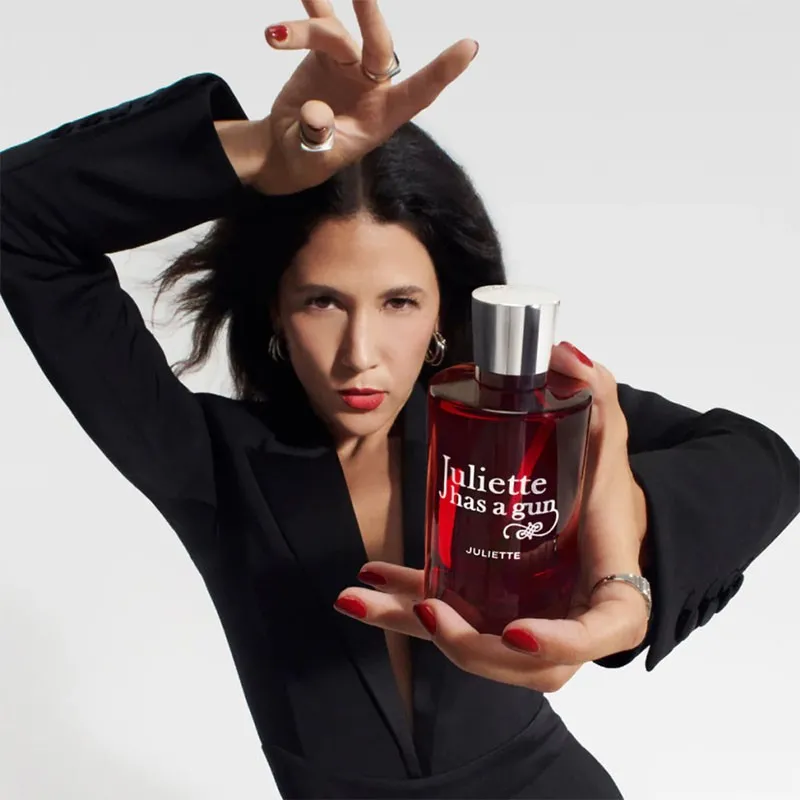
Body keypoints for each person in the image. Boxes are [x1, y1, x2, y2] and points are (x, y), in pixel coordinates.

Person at [1, 1, 798, 797]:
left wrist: (619, 556)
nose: (360, 354)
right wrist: (255, 152)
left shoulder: (505, 422)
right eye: (323, 301)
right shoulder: (208, 462)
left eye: (399, 302)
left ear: (443, 311)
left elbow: (763, 463)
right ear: (275, 309)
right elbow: (17, 217)